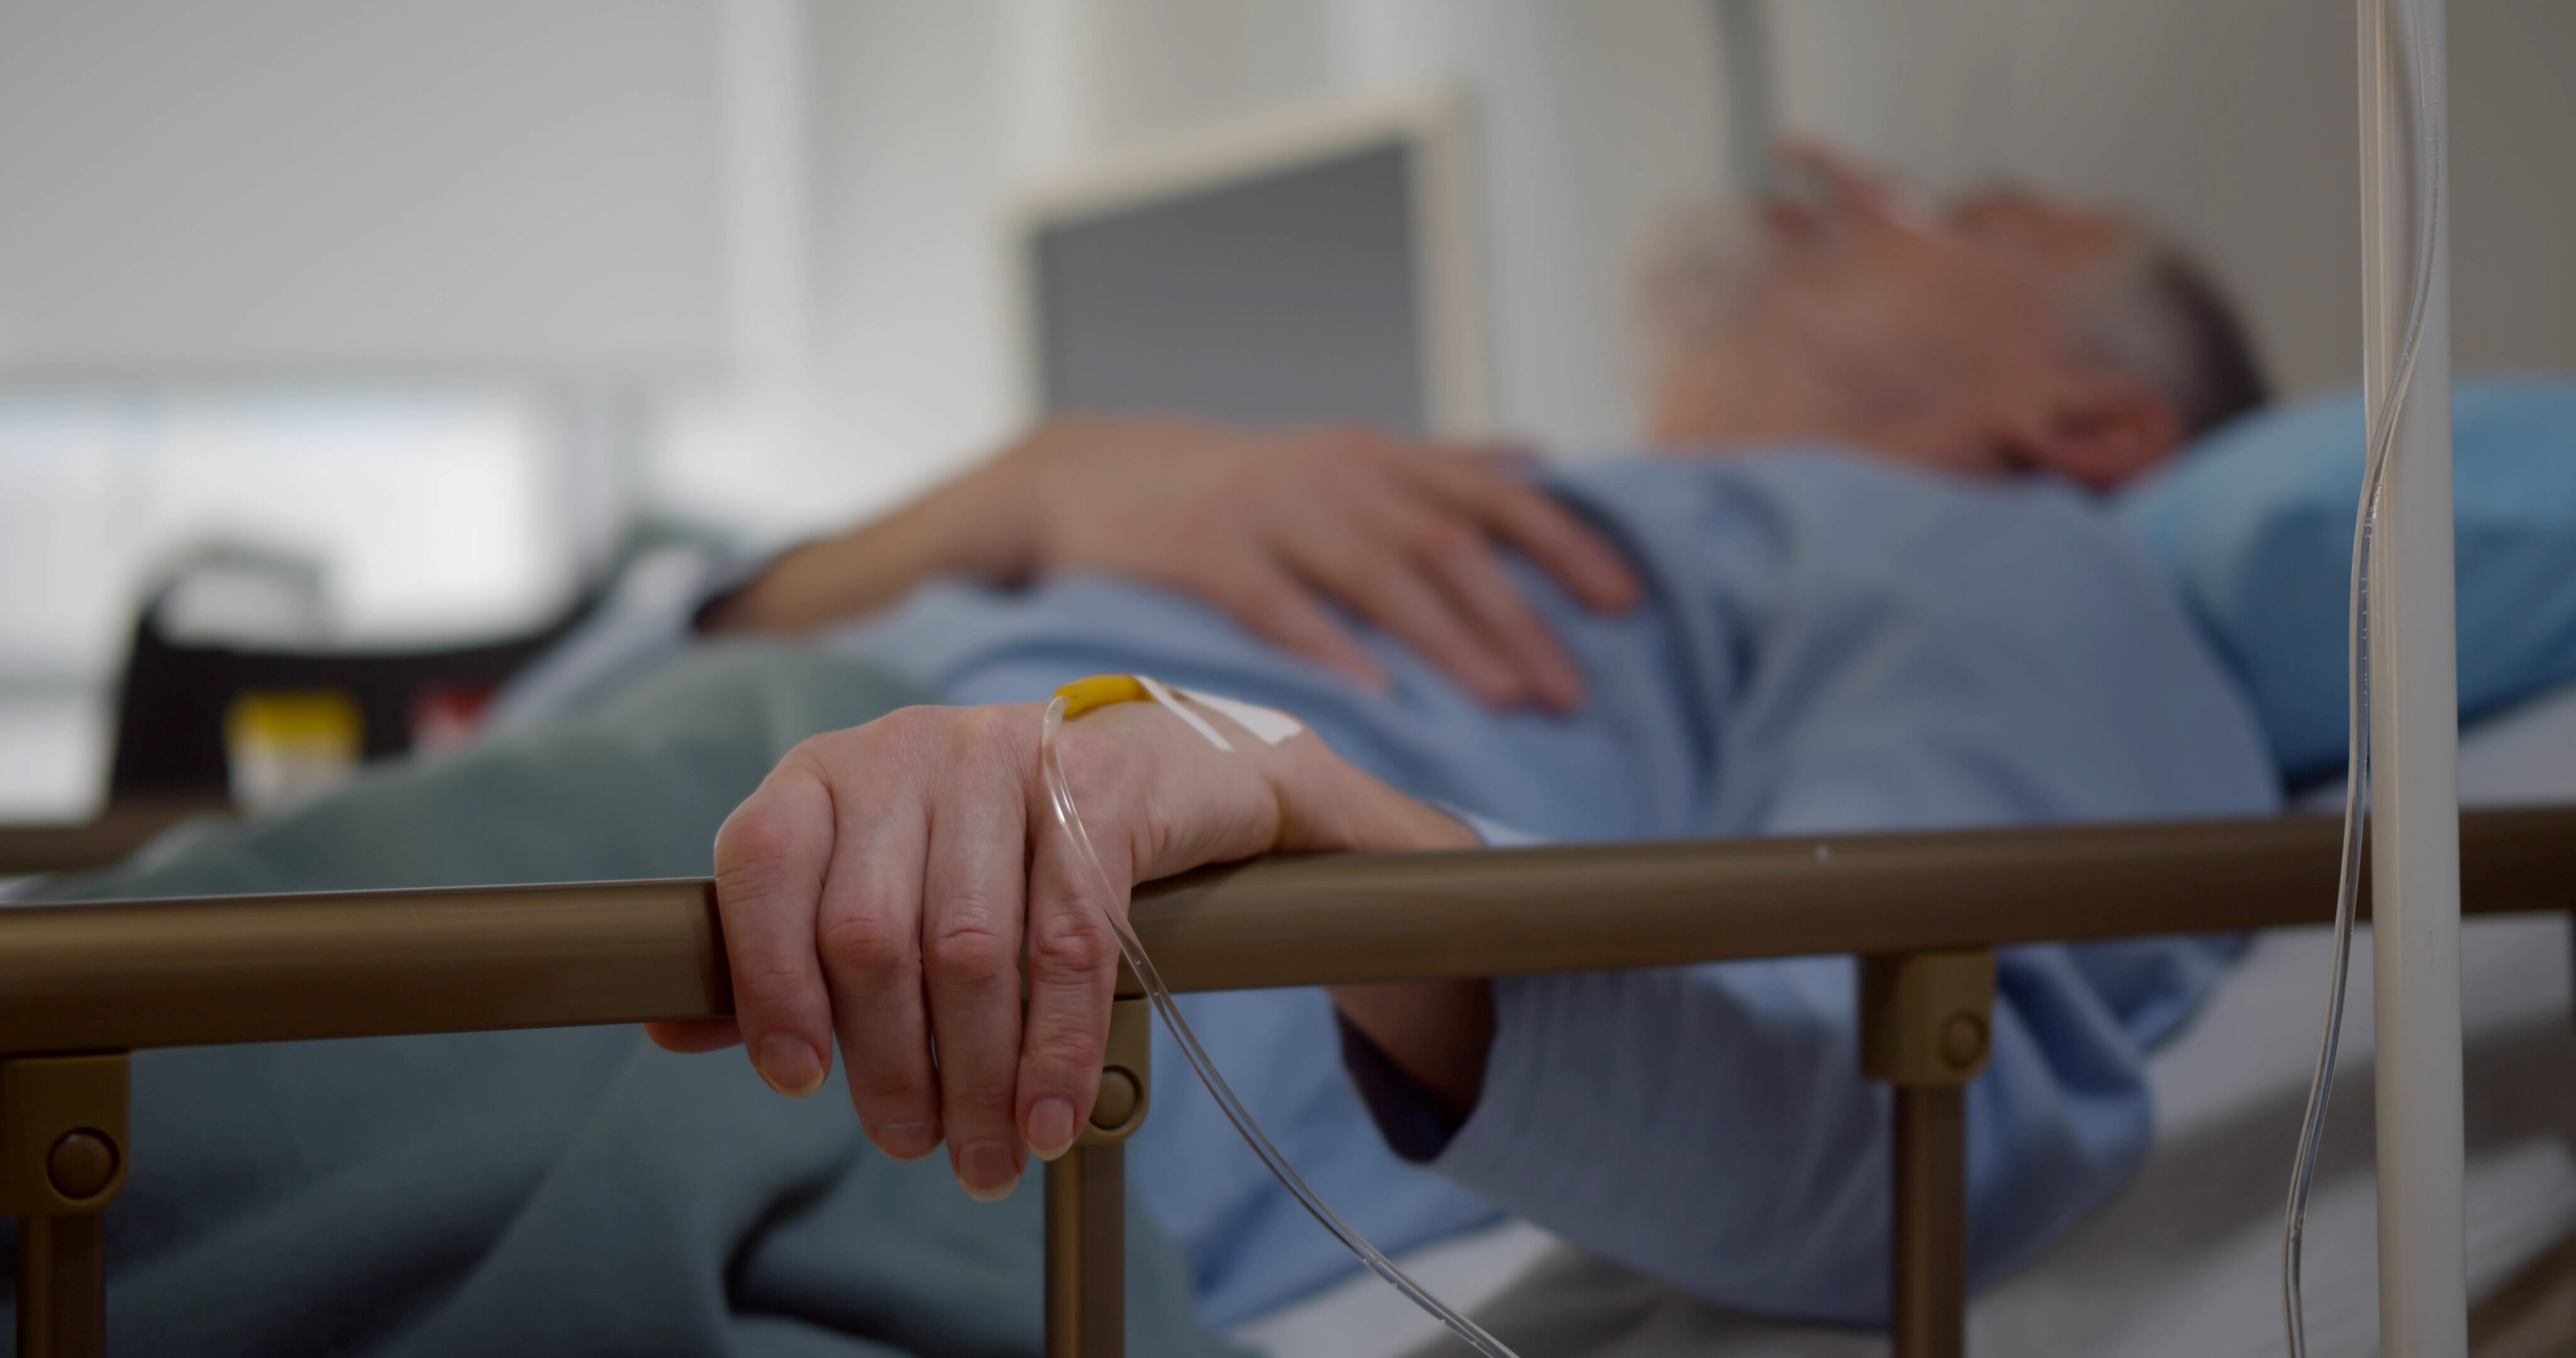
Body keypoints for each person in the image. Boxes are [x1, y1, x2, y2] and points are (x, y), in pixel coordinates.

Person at [27, 145, 2278, 1354]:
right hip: (644, 828)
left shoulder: (1991, 564)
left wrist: (1288, 796)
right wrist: (983, 505)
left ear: (2084, 421)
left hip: (885, 989)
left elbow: (1919, 1093)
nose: (1819, 162)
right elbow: (510, 739)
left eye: (1968, 210)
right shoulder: (1445, 488)